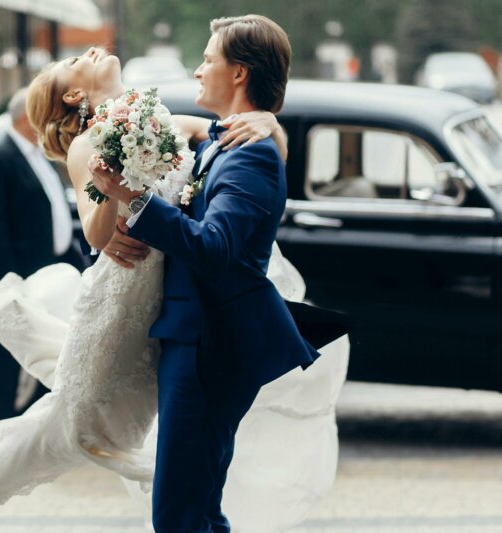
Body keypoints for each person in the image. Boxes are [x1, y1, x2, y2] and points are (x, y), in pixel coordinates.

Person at [0, 39, 343, 519]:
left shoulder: (162, 116)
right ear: (76, 97)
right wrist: (114, 186)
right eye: (77, 62)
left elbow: (227, 140)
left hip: (188, 292)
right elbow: (98, 234)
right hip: (140, 288)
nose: (93, 50)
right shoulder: (85, 145)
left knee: (186, 477)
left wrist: (268, 123)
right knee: (89, 410)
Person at [90, 15, 346, 532]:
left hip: (212, 343)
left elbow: (215, 249)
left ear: (239, 73)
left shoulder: (251, 158)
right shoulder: (224, 143)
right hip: (197, 337)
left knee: (179, 512)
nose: (198, 68)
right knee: (197, 505)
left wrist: (134, 200)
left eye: (209, 59)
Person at [0, 88, 84, 425]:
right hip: (19, 277)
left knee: (46, 350)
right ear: (27, 118)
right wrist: (10, 282)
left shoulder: (37, 153)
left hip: (48, 271)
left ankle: (37, 425)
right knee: (3, 357)